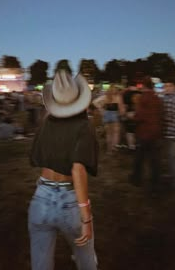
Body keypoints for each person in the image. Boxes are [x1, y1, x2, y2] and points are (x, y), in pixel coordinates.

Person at [29, 70, 99, 270]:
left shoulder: (45, 124)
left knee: (40, 264)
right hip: (69, 199)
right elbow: (78, 169)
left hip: (41, 195)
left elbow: (38, 157)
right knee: (86, 260)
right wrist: (86, 217)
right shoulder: (84, 126)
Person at [129, 76, 163, 191]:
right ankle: (155, 182)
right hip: (156, 132)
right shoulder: (157, 98)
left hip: (144, 132)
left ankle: (136, 179)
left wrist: (132, 117)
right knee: (154, 159)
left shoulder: (143, 98)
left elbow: (139, 116)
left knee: (139, 158)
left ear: (143, 85)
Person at [93, 84, 124, 154]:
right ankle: (114, 147)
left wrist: (101, 109)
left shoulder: (105, 97)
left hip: (107, 115)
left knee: (108, 134)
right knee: (115, 133)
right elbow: (121, 108)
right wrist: (121, 114)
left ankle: (109, 150)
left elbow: (95, 102)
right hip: (115, 115)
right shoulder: (118, 97)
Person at [162, 78, 175, 189]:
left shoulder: (168, 100)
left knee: (172, 157)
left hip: (172, 133)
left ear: (174, 87)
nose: (166, 88)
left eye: (169, 86)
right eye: (165, 86)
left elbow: (166, 117)